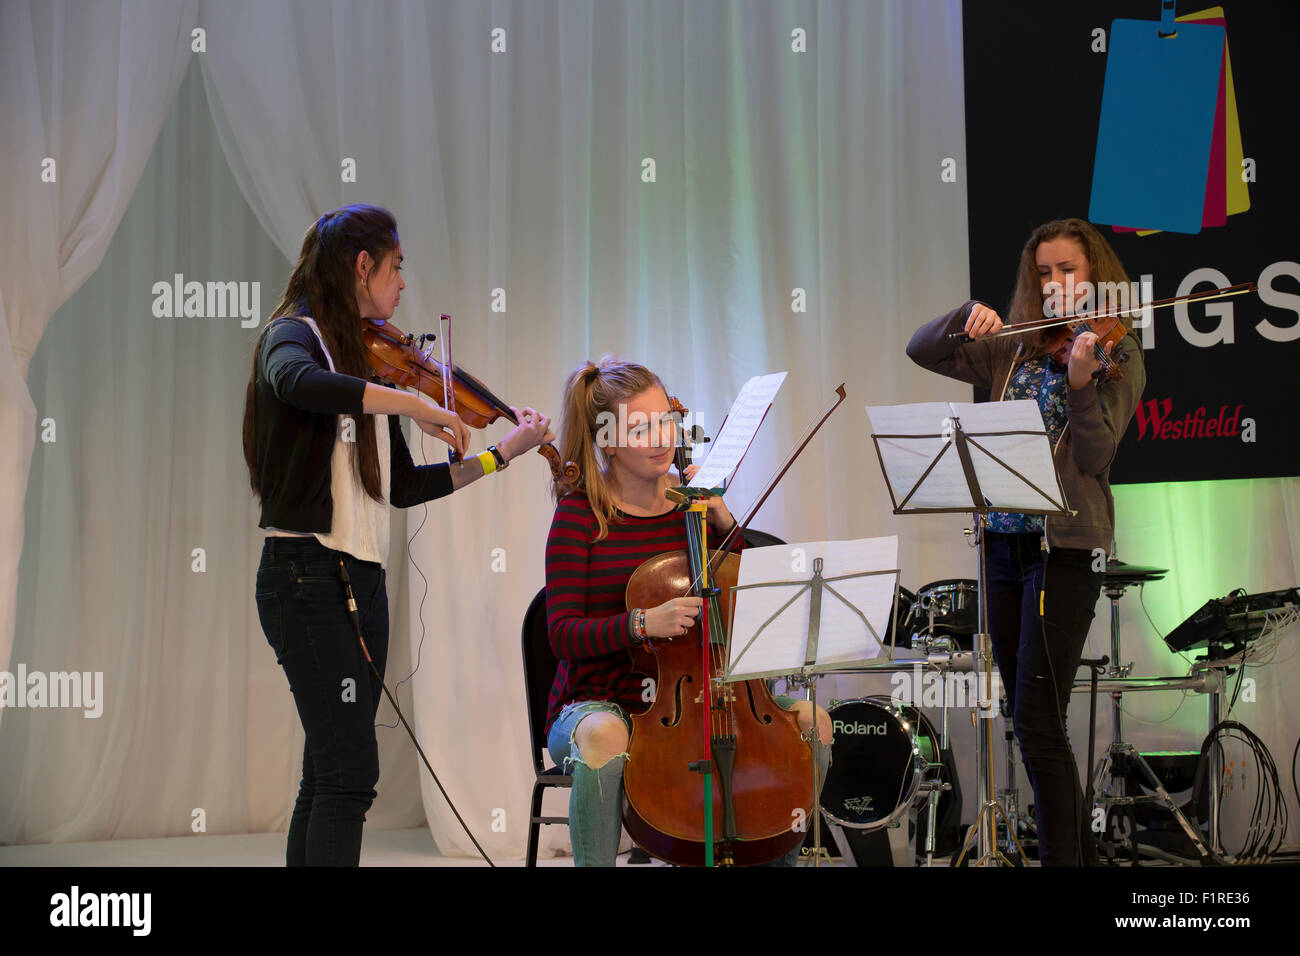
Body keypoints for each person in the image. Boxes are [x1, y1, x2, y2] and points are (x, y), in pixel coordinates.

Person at [242, 203, 552, 866]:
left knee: (328, 772)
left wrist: (504, 454)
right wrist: (414, 401)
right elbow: (295, 384)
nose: (403, 285)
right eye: (395, 268)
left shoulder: (372, 364)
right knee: (350, 773)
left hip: (361, 582)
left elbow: (406, 487)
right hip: (304, 577)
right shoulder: (292, 336)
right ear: (361, 268)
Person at [905, 217, 1145, 866]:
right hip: (1002, 549)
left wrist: (1080, 385)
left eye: (1068, 269)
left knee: (1040, 723)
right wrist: (966, 316)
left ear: (1095, 274)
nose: (1054, 283)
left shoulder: (1115, 351)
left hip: (1063, 551)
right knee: (1027, 720)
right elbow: (921, 349)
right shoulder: (1015, 347)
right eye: (1043, 272)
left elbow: (1095, 457)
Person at [543, 357, 832, 867]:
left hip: (706, 696)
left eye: (665, 421)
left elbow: (754, 593)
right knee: (606, 735)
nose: (662, 438)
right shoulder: (579, 514)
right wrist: (641, 623)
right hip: (599, 703)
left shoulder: (692, 508)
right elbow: (562, 634)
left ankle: (776, 850)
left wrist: (724, 520)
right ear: (607, 440)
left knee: (814, 722)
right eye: (640, 427)